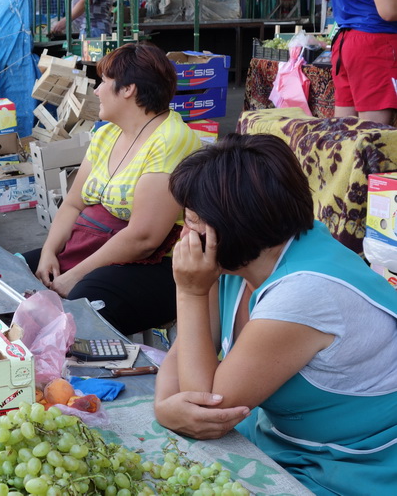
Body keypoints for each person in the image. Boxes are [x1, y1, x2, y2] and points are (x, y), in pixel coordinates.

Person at [155, 133, 397, 494]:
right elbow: (186, 364)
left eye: (192, 221)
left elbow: (205, 411)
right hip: (288, 439)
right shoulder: (244, 260)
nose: (185, 235)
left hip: (353, 465)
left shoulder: (303, 294)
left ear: (234, 226)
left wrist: (190, 291)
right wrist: (164, 407)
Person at [22, 43, 200, 335]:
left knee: (74, 315)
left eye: (103, 82)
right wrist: (49, 253)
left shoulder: (170, 140)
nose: (96, 91)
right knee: (13, 276)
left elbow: (144, 238)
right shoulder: (106, 134)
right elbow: (73, 204)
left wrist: (74, 276)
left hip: (153, 267)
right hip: (92, 246)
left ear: (128, 88)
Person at [327, 0, 397, 125]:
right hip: (373, 43)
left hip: (346, 42)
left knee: (343, 131)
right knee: (374, 137)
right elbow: (389, 10)